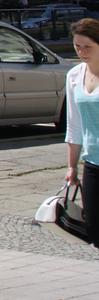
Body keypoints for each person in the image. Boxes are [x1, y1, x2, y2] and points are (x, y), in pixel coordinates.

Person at [65, 17, 99, 246]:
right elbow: (74, 125)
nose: (81, 52)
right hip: (93, 164)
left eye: (88, 47)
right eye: (77, 46)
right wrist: (71, 166)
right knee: (94, 230)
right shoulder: (74, 76)